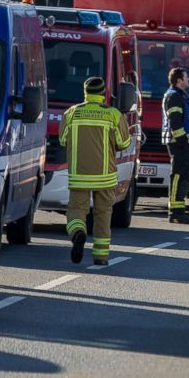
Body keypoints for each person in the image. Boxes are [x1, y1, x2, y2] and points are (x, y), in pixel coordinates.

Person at [60, 76, 132, 265]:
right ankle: (100, 256)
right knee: (103, 213)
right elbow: (123, 143)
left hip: (79, 174)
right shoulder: (113, 114)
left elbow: (62, 140)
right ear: (103, 92)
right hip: (105, 176)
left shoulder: (71, 113)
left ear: (85, 92)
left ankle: (78, 232)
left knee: (77, 210)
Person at [162, 67, 189, 224]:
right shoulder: (174, 97)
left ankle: (179, 211)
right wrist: (185, 142)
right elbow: (175, 124)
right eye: (186, 77)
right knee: (178, 177)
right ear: (179, 80)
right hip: (178, 144)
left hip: (184, 144)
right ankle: (175, 212)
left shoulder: (180, 96)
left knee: (184, 177)